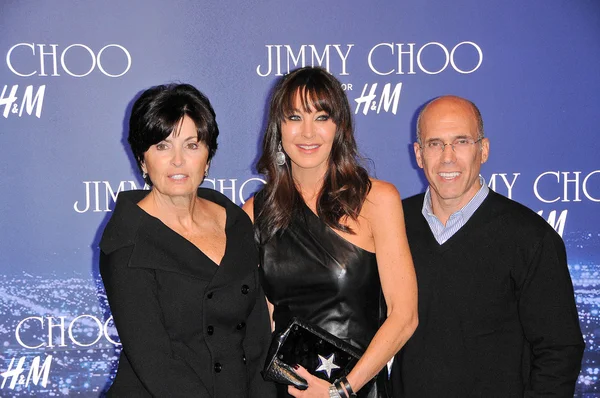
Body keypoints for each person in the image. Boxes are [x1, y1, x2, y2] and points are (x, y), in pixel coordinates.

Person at [243, 66, 418, 398]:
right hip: (288, 391)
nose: (308, 133)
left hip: (357, 390)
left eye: (321, 117)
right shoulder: (254, 212)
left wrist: (341, 390)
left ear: (340, 128)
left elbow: (404, 316)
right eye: (294, 118)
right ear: (278, 129)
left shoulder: (377, 201)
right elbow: (261, 324)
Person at [392, 95, 585, 397]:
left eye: (461, 142)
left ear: (483, 150)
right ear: (418, 154)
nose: (447, 157)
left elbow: (559, 351)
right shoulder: (393, 226)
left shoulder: (530, 237)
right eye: (435, 144)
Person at [99, 83, 276, 397]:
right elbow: (156, 361)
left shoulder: (233, 220)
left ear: (208, 156)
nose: (178, 160)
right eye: (162, 146)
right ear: (142, 158)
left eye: (192, 145)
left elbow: (258, 337)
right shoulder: (126, 241)